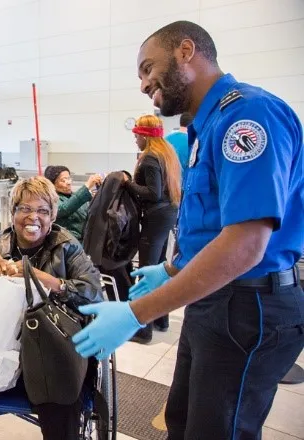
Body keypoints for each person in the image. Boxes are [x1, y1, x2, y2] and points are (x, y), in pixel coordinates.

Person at [72, 20, 303, 440]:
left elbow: (247, 244)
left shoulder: (246, 115)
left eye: (147, 68)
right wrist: (173, 272)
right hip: (213, 300)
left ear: (184, 51)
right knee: (181, 422)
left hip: (249, 306)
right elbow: (214, 226)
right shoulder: (204, 127)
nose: (143, 84)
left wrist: (134, 313)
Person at [0, 176, 104, 440]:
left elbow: (96, 295)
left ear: (53, 217)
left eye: (42, 210)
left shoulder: (67, 247)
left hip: (49, 353)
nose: (33, 217)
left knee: (63, 400)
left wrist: (52, 282)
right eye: (25, 209)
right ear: (13, 211)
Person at [124, 114, 181, 342]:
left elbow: (152, 193)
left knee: (146, 271)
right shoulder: (167, 153)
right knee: (158, 269)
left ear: (144, 136)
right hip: (168, 215)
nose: (135, 140)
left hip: (156, 218)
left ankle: (143, 329)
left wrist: (126, 183)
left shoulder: (149, 158)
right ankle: (161, 319)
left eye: (136, 136)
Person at [44, 165, 102, 242]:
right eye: (63, 180)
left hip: (85, 242)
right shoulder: (51, 199)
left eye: (69, 179)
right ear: (52, 184)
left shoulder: (77, 196)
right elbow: (64, 209)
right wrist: (87, 185)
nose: (68, 183)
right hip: (67, 243)